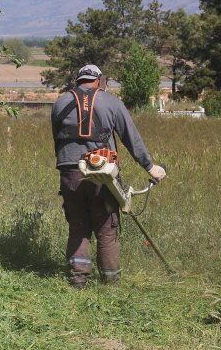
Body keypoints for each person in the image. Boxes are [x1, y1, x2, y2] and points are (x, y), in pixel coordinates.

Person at [51, 64, 167, 289]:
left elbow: (57, 140)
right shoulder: (111, 102)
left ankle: (78, 280)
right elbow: (131, 138)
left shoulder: (59, 103)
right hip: (101, 176)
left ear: (79, 80)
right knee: (106, 228)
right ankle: (110, 283)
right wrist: (150, 168)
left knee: (78, 226)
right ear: (99, 81)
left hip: (69, 173)